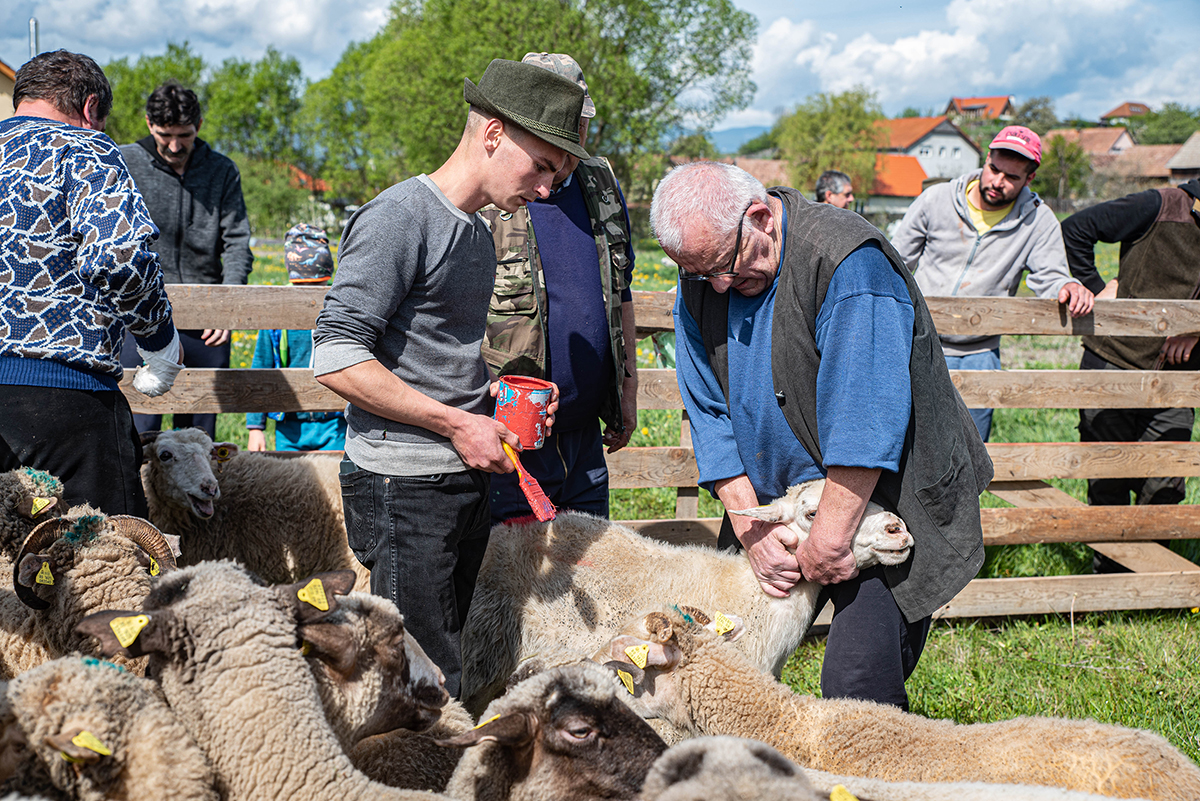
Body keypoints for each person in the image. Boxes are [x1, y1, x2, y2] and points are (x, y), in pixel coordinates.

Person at [652, 161, 992, 709]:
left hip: (876, 500)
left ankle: (877, 764)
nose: (718, 286)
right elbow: (708, 411)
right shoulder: (705, 274)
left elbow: (865, 417)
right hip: (776, 506)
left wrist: (830, 543)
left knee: (857, 685)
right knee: (718, 666)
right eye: (698, 273)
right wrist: (751, 529)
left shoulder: (847, 262)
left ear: (760, 218)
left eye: (724, 267)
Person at [312, 59, 586, 696]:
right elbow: (335, 354)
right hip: (403, 485)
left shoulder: (478, 232)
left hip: (460, 478)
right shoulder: (400, 217)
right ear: (493, 135)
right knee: (420, 678)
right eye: (542, 166)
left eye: (556, 174)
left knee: (447, 661)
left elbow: (430, 355)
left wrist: (493, 400)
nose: (547, 189)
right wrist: (457, 423)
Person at [0, 50, 181, 516]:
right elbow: (120, 259)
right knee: (107, 551)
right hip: (66, 399)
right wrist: (160, 341)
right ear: (90, 107)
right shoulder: (86, 149)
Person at [483, 52, 637, 523]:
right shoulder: (490, 193)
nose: (571, 140)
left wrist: (628, 392)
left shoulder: (601, 185)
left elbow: (622, 293)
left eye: (580, 124)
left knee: (592, 561)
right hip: (511, 439)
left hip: (585, 439)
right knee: (515, 565)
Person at [891, 125, 1095, 441]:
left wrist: (1067, 286)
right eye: (995, 170)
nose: (998, 182)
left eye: (1011, 177)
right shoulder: (937, 199)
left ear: (1029, 178)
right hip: (918, 340)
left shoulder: (1037, 220)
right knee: (907, 439)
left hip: (979, 350)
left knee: (970, 448)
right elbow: (896, 262)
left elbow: (1050, 275)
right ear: (986, 159)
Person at [119, 81, 254, 441]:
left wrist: (227, 306)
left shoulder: (222, 170)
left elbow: (237, 241)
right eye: (165, 135)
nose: (175, 146)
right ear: (149, 124)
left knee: (198, 436)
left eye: (185, 135)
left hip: (207, 320)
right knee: (139, 429)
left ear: (199, 126)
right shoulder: (125, 162)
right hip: (140, 316)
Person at [1062, 180, 1200, 520]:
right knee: (1107, 478)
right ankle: (1109, 557)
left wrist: (1196, 328)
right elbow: (1076, 229)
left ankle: (1151, 557)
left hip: (1176, 376)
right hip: (1113, 359)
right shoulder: (1162, 206)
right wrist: (1096, 291)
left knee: (1165, 484)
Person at [246, 224, 346, 452]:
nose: (310, 297)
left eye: (318, 287)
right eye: (301, 287)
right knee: (290, 474)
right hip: (289, 424)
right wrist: (255, 427)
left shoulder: (338, 307)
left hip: (334, 421)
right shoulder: (278, 312)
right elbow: (261, 366)